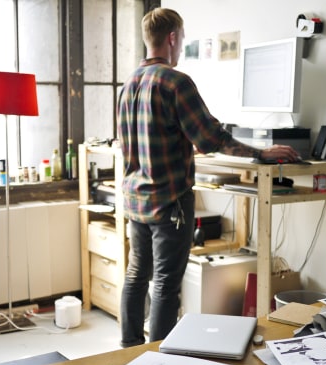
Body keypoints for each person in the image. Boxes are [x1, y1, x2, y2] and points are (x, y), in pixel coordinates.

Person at [116, 7, 300, 347]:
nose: (181, 45)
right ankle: (159, 357)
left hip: (136, 200)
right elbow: (212, 138)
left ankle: (130, 348)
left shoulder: (129, 84)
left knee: (136, 275)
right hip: (169, 203)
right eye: (182, 39)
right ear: (172, 38)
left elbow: (146, 138)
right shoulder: (176, 82)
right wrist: (262, 153)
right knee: (166, 284)